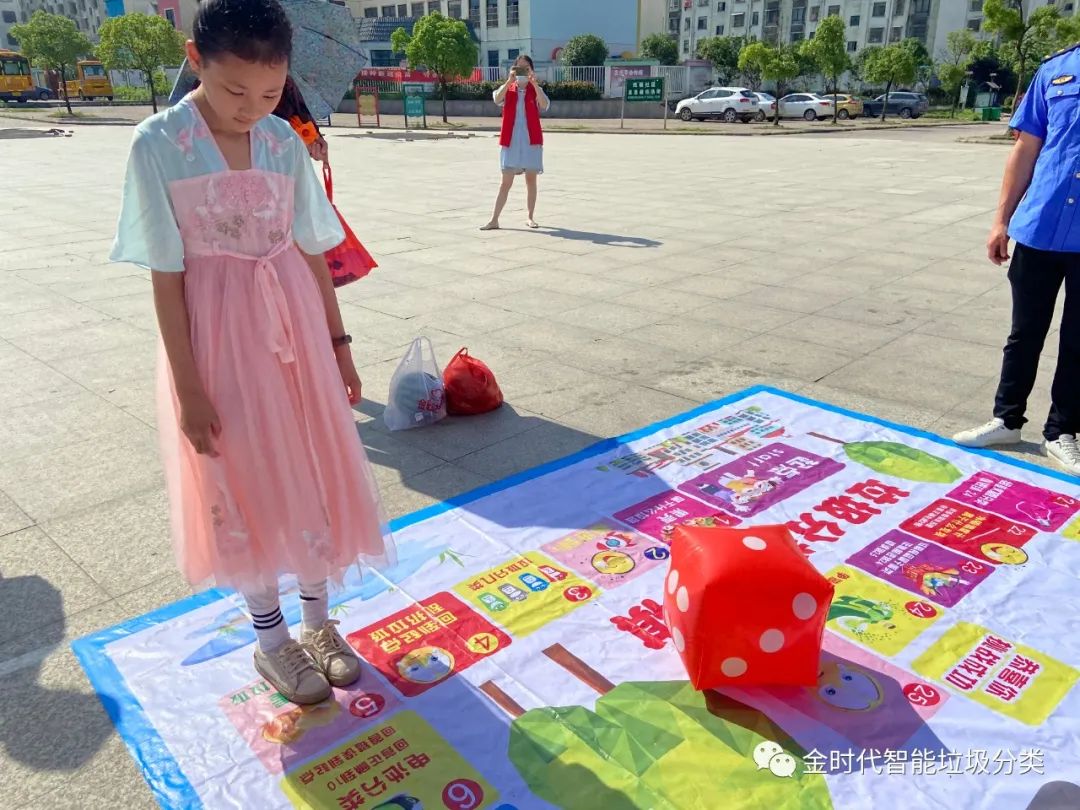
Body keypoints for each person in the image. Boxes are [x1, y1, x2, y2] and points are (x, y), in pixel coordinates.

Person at [109, 0, 395, 704]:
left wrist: (339, 346)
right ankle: (272, 642)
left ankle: (320, 625)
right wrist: (188, 387)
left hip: (295, 328)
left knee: (311, 468)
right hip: (217, 336)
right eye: (235, 89)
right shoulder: (158, 143)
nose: (251, 108)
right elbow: (166, 274)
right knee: (245, 478)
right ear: (195, 59)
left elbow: (311, 252)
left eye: (270, 92)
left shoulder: (281, 141)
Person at [953, 45, 1080, 475]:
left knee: (1078, 340)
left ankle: (1061, 432)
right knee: (1024, 333)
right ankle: (1007, 420)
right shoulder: (1056, 70)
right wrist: (1000, 221)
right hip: (1040, 225)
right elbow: (1026, 148)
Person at [170, 69, 328, 162]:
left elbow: (303, 118)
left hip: (278, 168)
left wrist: (315, 143)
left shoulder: (283, 83)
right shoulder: (209, 84)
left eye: (269, 95)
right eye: (235, 92)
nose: (253, 112)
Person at [481, 54, 550, 231]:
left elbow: (544, 104)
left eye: (526, 68)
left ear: (531, 70)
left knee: (531, 180)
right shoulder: (508, 88)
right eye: (519, 68)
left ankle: (530, 217)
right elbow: (497, 99)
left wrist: (535, 84)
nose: (522, 72)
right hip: (511, 141)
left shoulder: (535, 89)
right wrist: (508, 81)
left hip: (531, 141)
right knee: (506, 182)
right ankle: (494, 219)